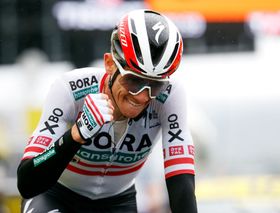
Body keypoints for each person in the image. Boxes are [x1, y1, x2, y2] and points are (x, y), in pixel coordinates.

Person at [17, 9, 197, 213]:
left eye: (155, 85)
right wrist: (76, 136)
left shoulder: (171, 96)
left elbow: (182, 185)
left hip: (117, 201)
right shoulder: (71, 90)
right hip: (55, 195)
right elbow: (27, 182)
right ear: (110, 64)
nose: (142, 96)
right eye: (134, 80)